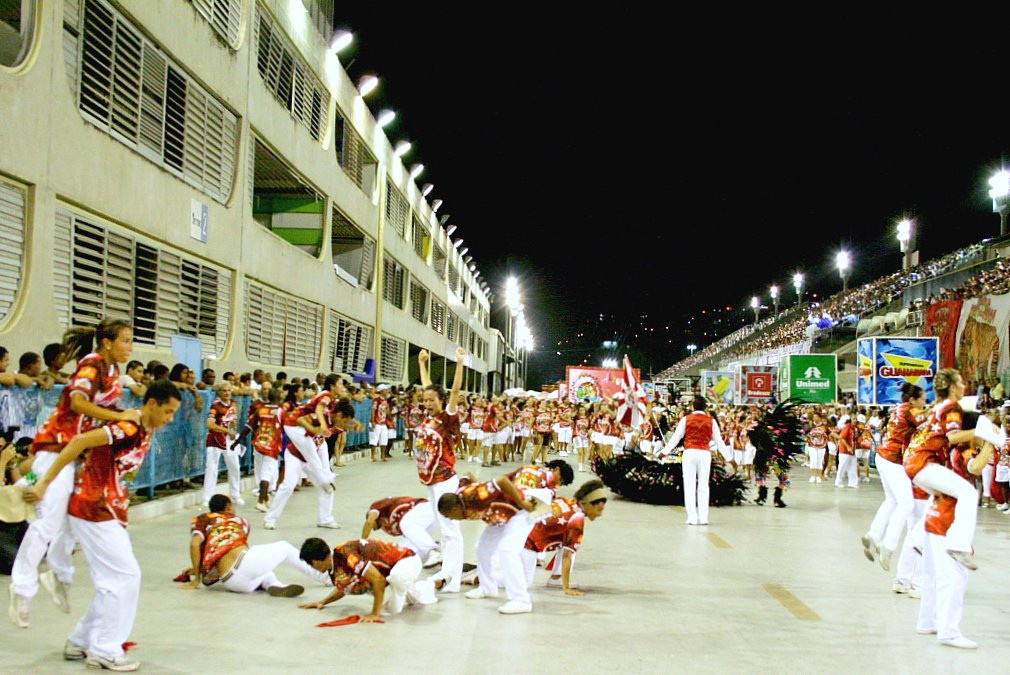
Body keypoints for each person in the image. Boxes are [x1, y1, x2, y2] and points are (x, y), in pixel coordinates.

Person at [23, 380, 181, 671]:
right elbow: (79, 442)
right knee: (126, 577)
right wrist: (44, 482)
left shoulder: (144, 428)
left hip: (107, 509)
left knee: (112, 581)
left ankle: (81, 641)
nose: (169, 420)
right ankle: (105, 649)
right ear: (152, 404)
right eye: (167, 412)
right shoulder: (128, 427)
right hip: (94, 508)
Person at [9, 319, 138, 629]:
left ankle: (58, 575)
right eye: (125, 340)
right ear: (106, 343)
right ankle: (22, 589)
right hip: (57, 449)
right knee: (48, 523)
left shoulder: (113, 372)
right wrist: (118, 417)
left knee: (76, 519)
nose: (130, 347)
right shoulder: (91, 366)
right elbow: (79, 403)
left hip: (80, 453)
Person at [916, 431, 994, 649]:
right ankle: (949, 632)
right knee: (954, 576)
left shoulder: (944, 451)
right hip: (949, 519)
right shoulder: (963, 452)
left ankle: (926, 621)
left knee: (931, 574)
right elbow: (975, 468)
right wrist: (990, 443)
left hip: (934, 512)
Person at [903, 369, 980, 570]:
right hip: (924, 460)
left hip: (912, 459)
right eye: (961, 383)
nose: (964, 387)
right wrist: (980, 431)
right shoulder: (952, 406)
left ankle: (918, 540)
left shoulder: (937, 406)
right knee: (969, 493)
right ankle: (959, 544)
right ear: (952, 387)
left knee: (942, 495)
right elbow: (953, 436)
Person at [437, 471, 543, 614]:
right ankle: (488, 588)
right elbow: (468, 475)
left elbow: (502, 480)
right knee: (482, 548)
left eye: (448, 516)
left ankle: (521, 600)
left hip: (522, 510)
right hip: (500, 516)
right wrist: (479, 483)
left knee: (507, 550)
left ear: (455, 508)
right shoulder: (460, 494)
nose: (449, 519)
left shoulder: (477, 496)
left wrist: (522, 502)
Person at [180, 495, 323, 597]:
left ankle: (276, 585)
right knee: (284, 547)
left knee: (266, 573)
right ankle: (324, 576)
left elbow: (197, 545)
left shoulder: (201, 520)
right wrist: (196, 580)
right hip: (241, 566)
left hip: (232, 583)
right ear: (229, 507)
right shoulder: (239, 521)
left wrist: (197, 572)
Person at [265, 378, 356, 530]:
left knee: (327, 486)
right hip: (295, 453)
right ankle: (270, 519)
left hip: (312, 453)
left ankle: (325, 519)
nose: (344, 425)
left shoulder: (336, 424)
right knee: (288, 486)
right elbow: (301, 419)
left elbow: (321, 445)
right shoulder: (320, 417)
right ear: (339, 415)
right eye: (345, 421)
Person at [416, 347, 466, 592]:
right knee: (443, 528)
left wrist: (459, 362)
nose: (427, 403)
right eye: (424, 401)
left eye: (431, 401)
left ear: (443, 401)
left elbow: (454, 390)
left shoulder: (447, 417)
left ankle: (451, 579)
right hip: (432, 480)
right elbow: (429, 389)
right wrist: (422, 364)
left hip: (446, 478)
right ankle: (448, 573)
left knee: (450, 530)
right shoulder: (429, 417)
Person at [297, 537, 437, 622]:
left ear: (316, 561)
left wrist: (374, 613)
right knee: (410, 597)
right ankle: (433, 583)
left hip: (407, 560)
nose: (311, 567)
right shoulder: (335, 565)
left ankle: (430, 584)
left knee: (393, 604)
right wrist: (322, 602)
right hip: (396, 569)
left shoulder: (347, 556)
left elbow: (378, 580)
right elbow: (343, 589)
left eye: (310, 564)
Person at [863, 384, 925, 570]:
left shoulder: (900, 408)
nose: (924, 402)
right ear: (912, 399)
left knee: (892, 500)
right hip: (893, 460)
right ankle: (888, 546)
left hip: (884, 456)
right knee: (906, 504)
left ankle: (873, 535)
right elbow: (928, 422)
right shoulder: (910, 411)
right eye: (922, 399)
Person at [522, 479, 607, 595]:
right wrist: (566, 588)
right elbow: (567, 556)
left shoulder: (567, 500)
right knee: (522, 583)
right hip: (527, 542)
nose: (600, 514)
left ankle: (556, 578)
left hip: (522, 528)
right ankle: (491, 578)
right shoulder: (577, 520)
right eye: (599, 510)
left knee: (572, 543)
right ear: (588, 504)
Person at [662, 396, 734, 525]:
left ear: (693, 406)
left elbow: (676, 437)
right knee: (703, 485)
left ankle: (692, 517)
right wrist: (729, 458)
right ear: (705, 407)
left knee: (689, 485)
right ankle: (704, 517)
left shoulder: (686, 419)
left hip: (689, 452)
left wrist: (665, 451)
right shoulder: (711, 421)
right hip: (704, 453)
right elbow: (719, 441)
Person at [361, 496, 438, 562]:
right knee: (401, 551)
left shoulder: (375, 507)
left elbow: (369, 522)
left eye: (376, 524)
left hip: (424, 507)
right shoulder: (390, 529)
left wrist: (362, 543)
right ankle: (440, 552)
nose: (381, 526)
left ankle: (433, 550)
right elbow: (412, 533)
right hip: (424, 522)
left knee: (405, 523)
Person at [203, 383, 241, 507]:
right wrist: (226, 431)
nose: (227, 393)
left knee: (234, 467)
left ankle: (235, 494)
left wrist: (233, 432)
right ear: (219, 392)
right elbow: (210, 424)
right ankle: (208, 497)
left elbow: (233, 420)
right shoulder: (215, 406)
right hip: (215, 441)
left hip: (229, 442)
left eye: (229, 390)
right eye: (224, 391)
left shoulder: (234, 404)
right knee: (211, 468)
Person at [835, 415, 860, 489]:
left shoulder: (855, 428)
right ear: (850, 420)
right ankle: (838, 482)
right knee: (842, 466)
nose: (855, 420)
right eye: (853, 419)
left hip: (852, 451)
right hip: (844, 451)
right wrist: (848, 446)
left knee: (853, 467)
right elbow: (842, 438)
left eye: (856, 419)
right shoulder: (847, 427)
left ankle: (852, 483)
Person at [369, 385, 391, 462]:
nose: (387, 391)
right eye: (385, 390)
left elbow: (387, 411)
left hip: (383, 422)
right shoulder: (376, 400)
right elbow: (373, 410)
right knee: (374, 439)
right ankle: (373, 455)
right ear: (381, 391)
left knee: (384, 439)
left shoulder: (385, 400)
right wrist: (372, 421)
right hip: (376, 422)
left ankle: (383, 455)